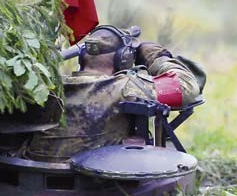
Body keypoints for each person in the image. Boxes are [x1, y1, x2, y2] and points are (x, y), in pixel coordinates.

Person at [24, 25, 205, 161]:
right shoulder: (126, 87)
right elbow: (186, 85)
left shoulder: (47, 88)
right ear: (123, 58)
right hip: (93, 185)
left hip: (34, 175)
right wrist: (156, 57)